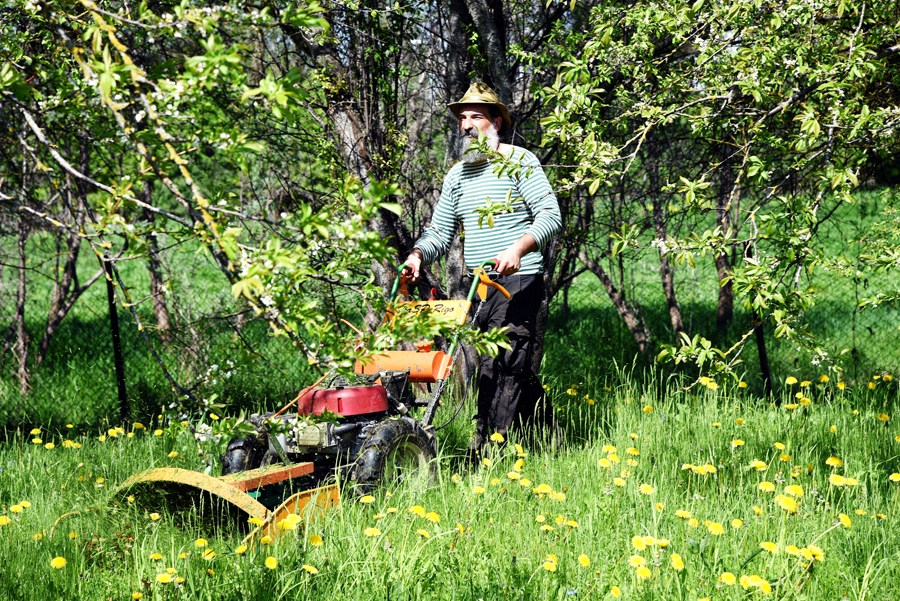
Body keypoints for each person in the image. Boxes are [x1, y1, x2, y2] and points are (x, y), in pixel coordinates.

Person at [403, 82, 562, 453]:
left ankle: (487, 450)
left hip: (519, 280)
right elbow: (439, 232)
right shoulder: (457, 176)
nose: (467, 125)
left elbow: (550, 215)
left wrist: (518, 248)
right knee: (509, 366)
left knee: (501, 365)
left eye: (476, 117)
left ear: (496, 122)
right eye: (463, 118)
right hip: (481, 285)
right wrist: (417, 256)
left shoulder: (520, 161)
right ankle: (550, 438)